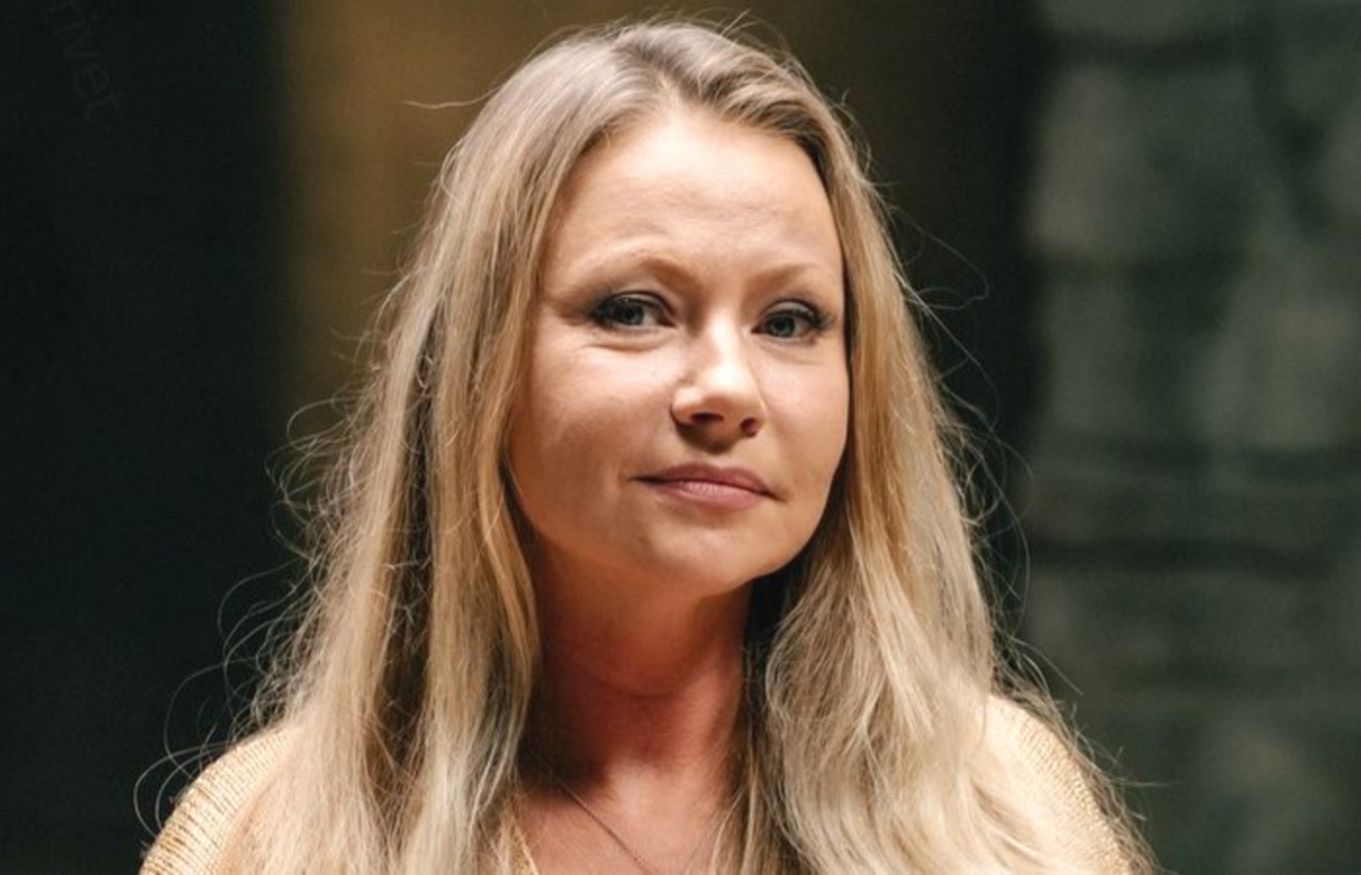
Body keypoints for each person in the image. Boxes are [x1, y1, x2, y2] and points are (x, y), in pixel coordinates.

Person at [142, 16, 1150, 874]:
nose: (726, 388)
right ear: (477, 371)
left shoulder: (1009, 815)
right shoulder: (267, 836)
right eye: (633, 309)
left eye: (789, 321)